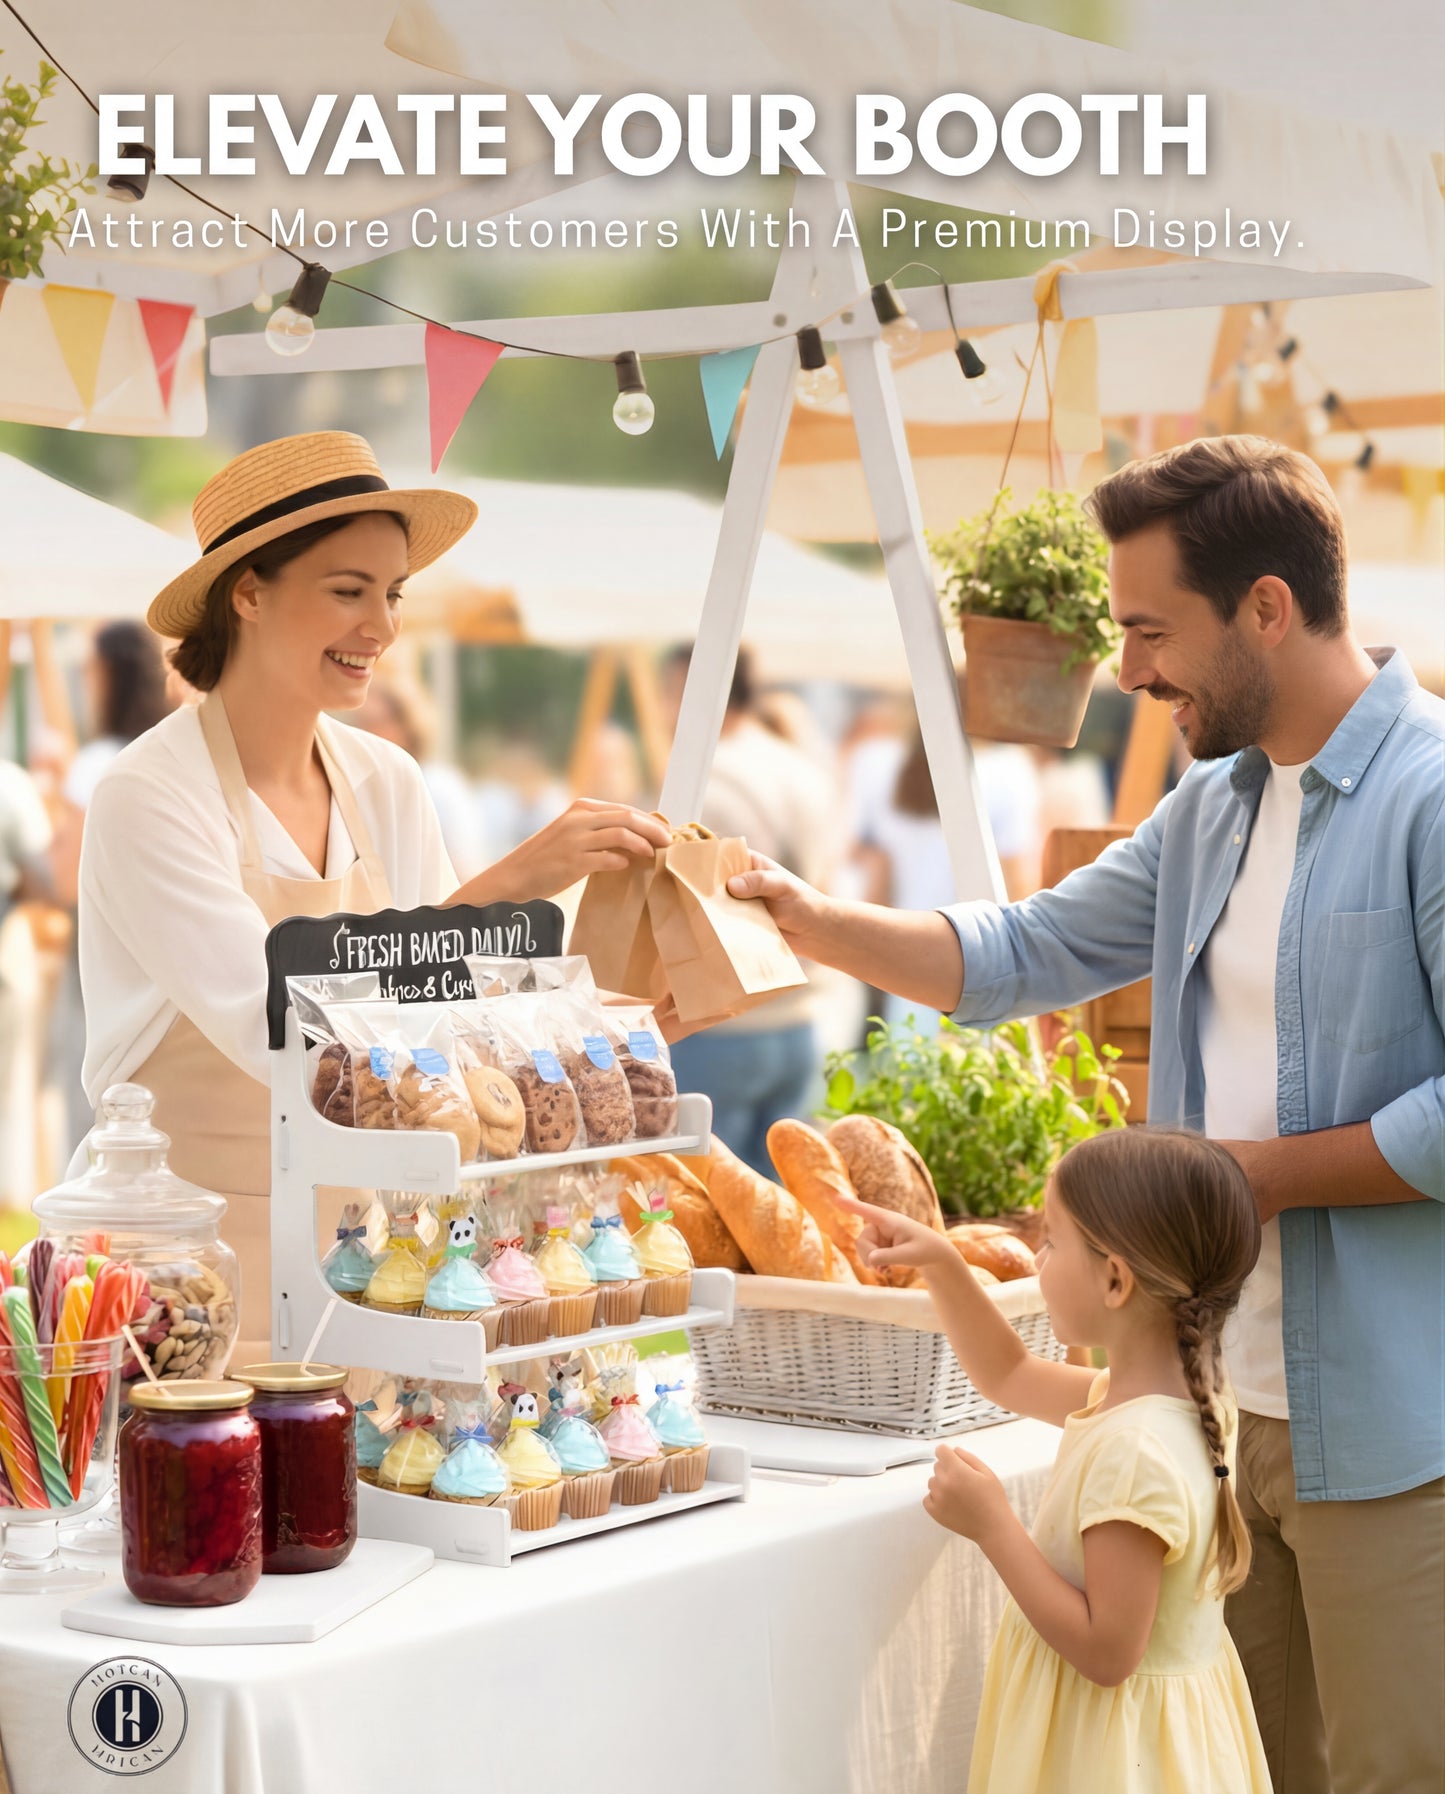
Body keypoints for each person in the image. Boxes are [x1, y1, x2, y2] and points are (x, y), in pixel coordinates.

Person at [730, 436, 1445, 1794]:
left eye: (1148, 629)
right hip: (1217, 1406)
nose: (1125, 669)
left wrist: (1255, 1179)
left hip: (1401, 1415)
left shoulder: (1430, 792)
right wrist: (806, 917)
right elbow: (1019, 952)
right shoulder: (1213, 809)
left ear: (1268, 609)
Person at [78, 432, 671, 1362]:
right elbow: (291, 1037)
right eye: (348, 591)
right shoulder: (150, 795)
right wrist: (512, 885)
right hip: (188, 1266)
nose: (383, 628)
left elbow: (447, 1029)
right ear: (249, 593)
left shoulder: (384, 779)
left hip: (375, 1244)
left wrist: (604, 1020)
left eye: (391, 595)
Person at [848, 1127, 1270, 1793]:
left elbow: (1107, 1652)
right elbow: (1009, 1374)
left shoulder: (1134, 1451)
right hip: (1147, 1739)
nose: (1038, 1259)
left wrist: (992, 1526)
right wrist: (942, 1265)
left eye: (1050, 1242)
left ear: (1113, 1279)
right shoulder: (1172, 1398)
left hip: (1111, 1758)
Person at [661, 644, 839, 1176]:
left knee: (703, 1207)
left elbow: (671, 906)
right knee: (778, 1213)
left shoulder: (699, 779)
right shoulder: (802, 767)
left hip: (721, 1026)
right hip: (800, 1019)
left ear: (687, 691)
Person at [352, 666, 485, 879]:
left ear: (407, 726)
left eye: (376, 722)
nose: (363, 733)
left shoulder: (438, 787)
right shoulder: (356, 790)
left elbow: (465, 869)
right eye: (360, 723)